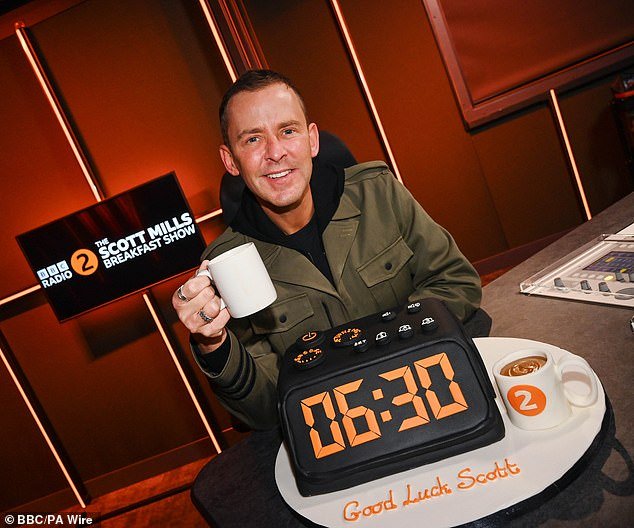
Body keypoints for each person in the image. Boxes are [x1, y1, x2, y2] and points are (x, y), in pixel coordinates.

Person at [172, 70, 485, 429]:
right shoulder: (224, 266)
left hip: (436, 389)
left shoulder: (378, 191)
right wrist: (213, 344)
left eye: (288, 131)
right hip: (335, 430)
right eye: (253, 139)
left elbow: (456, 281)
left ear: (312, 140)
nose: (275, 152)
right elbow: (265, 407)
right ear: (231, 161)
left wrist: (385, 361)